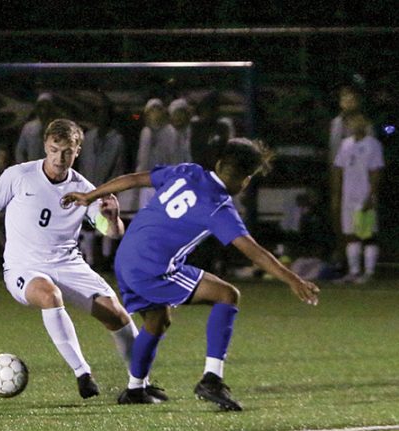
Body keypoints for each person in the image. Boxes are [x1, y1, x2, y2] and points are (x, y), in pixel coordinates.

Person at [63, 138, 320, 410]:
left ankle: (135, 389)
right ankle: (212, 378)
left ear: (219, 163)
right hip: (153, 267)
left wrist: (90, 196)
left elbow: (134, 178)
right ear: (245, 181)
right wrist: (294, 279)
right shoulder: (219, 206)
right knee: (227, 295)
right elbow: (254, 251)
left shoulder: (188, 171)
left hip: (126, 258)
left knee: (157, 318)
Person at [0, 119, 165, 402]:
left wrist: (113, 217)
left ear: (77, 151)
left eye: (66, 151)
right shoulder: (20, 175)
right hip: (23, 268)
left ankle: (138, 385)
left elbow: (112, 232)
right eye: (54, 150)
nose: (59, 158)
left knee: (116, 313)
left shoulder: (84, 188)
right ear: (45, 146)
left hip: (68, 265)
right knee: (49, 294)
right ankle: (83, 373)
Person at [333, 111, 384, 283]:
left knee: (368, 234)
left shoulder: (373, 144)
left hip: (365, 195)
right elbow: (339, 170)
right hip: (348, 197)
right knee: (351, 234)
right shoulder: (345, 144)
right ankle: (354, 272)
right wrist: (338, 194)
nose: (353, 125)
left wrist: (371, 195)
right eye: (350, 123)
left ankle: (369, 272)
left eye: (356, 122)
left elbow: (376, 172)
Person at [79, 91, 126, 267]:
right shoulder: (88, 137)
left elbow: (119, 167)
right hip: (88, 188)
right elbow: (82, 164)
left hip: (106, 189)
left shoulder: (117, 139)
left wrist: (112, 190)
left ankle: (106, 260)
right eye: (99, 113)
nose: (102, 116)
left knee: (107, 225)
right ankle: (90, 261)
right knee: (88, 225)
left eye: (105, 113)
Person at [133, 98, 177, 211]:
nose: (154, 114)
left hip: (164, 182)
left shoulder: (169, 131)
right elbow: (141, 160)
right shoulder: (146, 132)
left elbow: (173, 158)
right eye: (151, 111)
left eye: (157, 110)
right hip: (146, 182)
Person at [15, 92, 57, 164]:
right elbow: (20, 151)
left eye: (46, 107)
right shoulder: (28, 128)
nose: (44, 110)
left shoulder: (57, 128)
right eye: (41, 107)